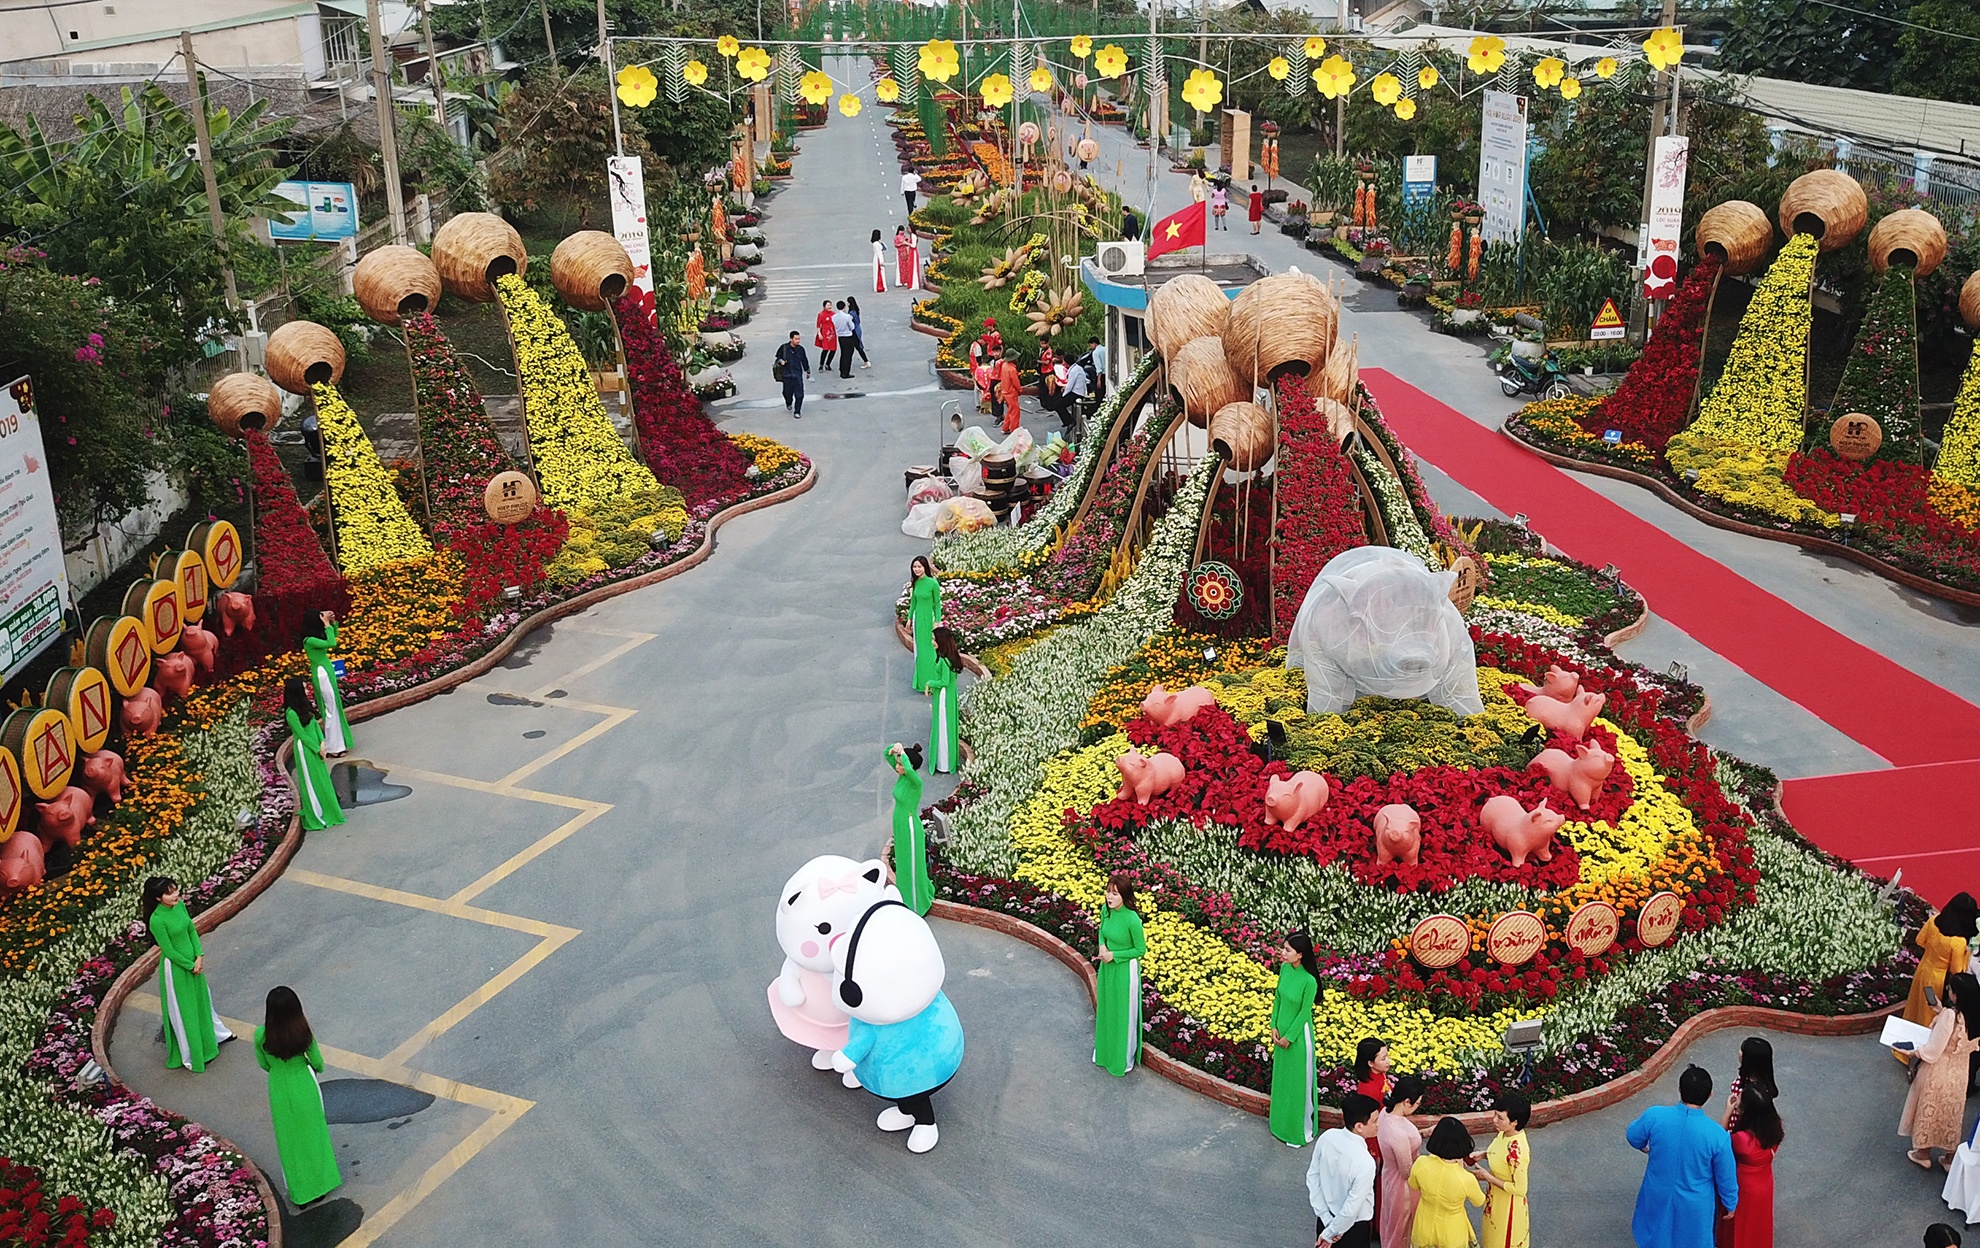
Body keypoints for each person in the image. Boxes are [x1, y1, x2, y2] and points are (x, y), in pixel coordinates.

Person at [1626, 1064, 1738, 1248]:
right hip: (1696, 1206)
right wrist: (1730, 1202)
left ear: (1679, 1089)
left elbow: (1633, 1136)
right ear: (1710, 1095)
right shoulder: (1717, 1136)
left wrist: (1645, 1148)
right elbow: (1726, 1176)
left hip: (1657, 1193)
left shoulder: (1655, 1115)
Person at [256, 986, 341, 1207]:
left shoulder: (260, 1035)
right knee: (313, 1135)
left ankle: (300, 1193)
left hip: (278, 1088)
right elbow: (318, 1063)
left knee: (289, 1141)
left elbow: (263, 1064)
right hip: (303, 1084)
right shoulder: (303, 1032)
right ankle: (320, 1185)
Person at [143, 875, 232, 1072]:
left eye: (175, 890)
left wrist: (199, 956)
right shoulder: (156, 920)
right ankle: (193, 1053)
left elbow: (191, 930)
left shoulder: (179, 906)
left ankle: (213, 1038)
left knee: (202, 1001)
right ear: (158, 898)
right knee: (185, 1011)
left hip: (194, 962)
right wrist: (190, 965)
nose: (175, 895)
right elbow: (168, 950)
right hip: (176, 970)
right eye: (169, 893)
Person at [1901, 970, 1980, 1168]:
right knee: (1951, 1113)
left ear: (1956, 995)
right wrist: (1940, 1009)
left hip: (1938, 1069)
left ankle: (1923, 1153)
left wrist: (1914, 1052)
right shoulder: (1974, 1016)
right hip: (1960, 1071)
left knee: (1930, 1109)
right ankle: (1950, 1157)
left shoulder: (1950, 1017)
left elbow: (1933, 1050)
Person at [1309, 1093, 1381, 1247]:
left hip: (1325, 1221)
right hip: (1353, 1230)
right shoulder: (1365, 1162)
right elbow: (1351, 1208)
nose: (1378, 1124)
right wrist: (1332, 1232)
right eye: (1375, 1121)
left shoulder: (1327, 1137)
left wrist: (1327, 1222)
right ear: (1359, 1126)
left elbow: (1313, 1178)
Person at [1268, 932, 1320, 1146]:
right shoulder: (1284, 969)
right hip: (1279, 1035)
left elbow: (1304, 1013)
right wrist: (1273, 1025)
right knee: (1282, 1081)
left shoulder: (1309, 982)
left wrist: (1289, 1037)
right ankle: (1279, 1123)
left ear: (1300, 954)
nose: (1283, 952)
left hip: (1298, 1039)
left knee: (1297, 1084)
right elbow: (1278, 998)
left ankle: (1297, 1130)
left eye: (1288, 949)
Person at [1093, 872, 1146, 1077]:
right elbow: (1101, 931)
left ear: (1124, 895)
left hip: (1125, 970)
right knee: (1107, 1009)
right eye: (1108, 892)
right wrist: (1102, 946)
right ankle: (1105, 1053)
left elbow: (1140, 950)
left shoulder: (1132, 920)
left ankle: (1121, 1060)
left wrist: (1114, 955)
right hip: (1107, 968)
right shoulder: (1106, 911)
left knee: (1123, 1013)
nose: (1110, 897)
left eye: (1115, 894)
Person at [1718, 1083, 1780, 1248]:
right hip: (1764, 1181)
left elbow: (1718, 1141)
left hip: (1744, 1186)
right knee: (1758, 1223)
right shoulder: (1775, 1127)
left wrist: (1727, 1112)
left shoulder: (1741, 1140)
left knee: (1739, 1226)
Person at [1408, 1118, 1485, 1247]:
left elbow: (1413, 1185)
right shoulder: (1466, 1178)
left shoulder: (1421, 1163)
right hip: (1452, 1232)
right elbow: (1479, 1201)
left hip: (1424, 1225)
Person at [1907, 893, 1977, 1030]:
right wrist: (1967, 954)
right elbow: (1956, 970)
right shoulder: (1958, 941)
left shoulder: (1933, 921)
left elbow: (1919, 940)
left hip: (1923, 969)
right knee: (1930, 1015)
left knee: (1915, 1007)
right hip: (1939, 979)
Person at [284, 676, 344, 832]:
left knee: (322, 779)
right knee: (313, 780)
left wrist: (322, 742)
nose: (307, 690)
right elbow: (301, 736)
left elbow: (314, 724)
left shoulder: (305, 706)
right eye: (304, 688)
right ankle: (317, 814)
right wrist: (317, 749)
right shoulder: (291, 713)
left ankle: (329, 808)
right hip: (306, 751)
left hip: (317, 745)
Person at [1475, 1091, 1532, 1248]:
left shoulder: (1518, 1151)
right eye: (1495, 1115)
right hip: (1496, 1198)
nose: (1494, 1120)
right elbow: (1500, 1155)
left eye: (1500, 1117)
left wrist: (1488, 1177)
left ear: (1514, 1122)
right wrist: (1483, 1154)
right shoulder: (1504, 1134)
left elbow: (1520, 1189)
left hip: (1508, 1208)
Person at [1377, 1076, 1428, 1248]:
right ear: (1407, 1102)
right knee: (1403, 1228)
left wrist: (1424, 1133)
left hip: (1389, 1175)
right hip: (1403, 1187)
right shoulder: (1398, 1133)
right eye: (1417, 1103)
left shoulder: (1386, 1113)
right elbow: (1407, 1171)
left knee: (1391, 1222)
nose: (1417, 1107)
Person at [887, 742, 931, 916]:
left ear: (909, 766)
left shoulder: (915, 782)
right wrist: (894, 748)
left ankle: (915, 903)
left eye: (900, 764)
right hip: (899, 823)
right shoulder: (902, 777)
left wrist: (903, 755)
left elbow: (909, 770)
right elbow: (887, 755)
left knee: (912, 862)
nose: (897, 767)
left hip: (910, 826)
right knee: (903, 861)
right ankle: (904, 896)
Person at [301, 610, 351, 758]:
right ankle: (332, 747)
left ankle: (338, 744)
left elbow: (333, 637)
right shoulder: (309, 640)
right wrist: (327, 624)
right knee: (330, 710)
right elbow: (332, 643)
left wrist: (333, 624)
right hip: (322, 674)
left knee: (334, 707)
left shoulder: (315, 637)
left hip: (326, 671)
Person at [928, 626, 963, 775]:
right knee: (948, 726)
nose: (932, 642)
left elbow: (944, 681)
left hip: (943, 696)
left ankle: (944, 763)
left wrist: (930, 683)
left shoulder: (943, 660)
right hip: (950, 696)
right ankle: (948, 761)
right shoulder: (952, 658)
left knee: (942, 727)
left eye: (934, 639)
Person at [1725, 1036, 1776, 1131]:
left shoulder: (1750, 1090)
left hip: (1739, 1128)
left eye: (1742, 1051)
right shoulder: (1766, 1085)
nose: (1739, 1052)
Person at [908, 556, 942, 693]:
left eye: (919, 566)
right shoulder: (916, 583)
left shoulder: (933, 584)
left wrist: (937, 621)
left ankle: (933, 682)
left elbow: (937, 604)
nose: (916, 569)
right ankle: (921, 683)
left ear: (925, 567)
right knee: (920, 652)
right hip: (918, 621)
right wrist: (909, 618)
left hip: (929, 620)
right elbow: (913, 602)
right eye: (914, 567)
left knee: (930, 651)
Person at [775, 331, 810, 418]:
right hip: (787, 375)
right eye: (796, 339)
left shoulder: (801, 349)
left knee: (800, 395)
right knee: (787, 393)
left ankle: (797, 411)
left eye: (799, 339)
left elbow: (804, 360)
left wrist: (807, 370)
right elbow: (778, 357)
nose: (798, 341)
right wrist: (781, 361)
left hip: (797, 375)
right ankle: (789, 402)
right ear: (791, 339)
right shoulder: (784, 348)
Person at [1353, 1037, 1393, 1104]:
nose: (1388, 1061)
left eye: (1387, 1056)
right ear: (1370, 1063)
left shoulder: (1380, 1074)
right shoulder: (1368, 1089)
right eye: (1383, 1059)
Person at [996, 347, 1023, 436]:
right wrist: (1020, 389)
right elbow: (1016, 382)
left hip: (1005, 391)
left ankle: (1005, 428)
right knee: (1015, 412)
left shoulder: (1004, 365)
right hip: (1011, 393)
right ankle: (1014, 431)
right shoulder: (1012, 369)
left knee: (1010, 410)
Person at [832, 301, 857, 379]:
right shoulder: (847, 317)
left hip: (840, 336)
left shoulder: (834, 317)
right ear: (844, 307)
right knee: (848, 355)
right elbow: (852, 327)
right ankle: (845, 372)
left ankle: (842, 369)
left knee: (843, 354)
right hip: (847, 336)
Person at [845, 296, 871, 370]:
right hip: (857, 329)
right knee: (857, 346)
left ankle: (866, 361)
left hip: (854, 330)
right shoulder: (855, 310)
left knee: (857, 346)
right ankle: (865, 360)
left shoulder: (851, 313)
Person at [895, 225, 922, 289]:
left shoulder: (912, 236)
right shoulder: (899, 237)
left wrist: (906, 243)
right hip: (906, 252)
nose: (907, 230)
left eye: (908, 228)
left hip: (911, 252)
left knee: (911, 267)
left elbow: (913, 245)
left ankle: (911, 282)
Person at [814, 299, 838, 373]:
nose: (830, 306)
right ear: (824, 306)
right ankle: (821, 364)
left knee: (833, 350)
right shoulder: (821, 314)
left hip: (833, 334)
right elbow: (818, 325)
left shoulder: (834, 314)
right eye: (828, 305)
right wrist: (819, 333)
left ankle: (828, 364)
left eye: (830, 305)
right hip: (825, 333)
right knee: (825, 349)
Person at [870, 230, 888, 295]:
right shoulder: (877, 244)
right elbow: (879, 253)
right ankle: (880, 286)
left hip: (876, 258)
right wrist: (881, 261)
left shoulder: (876, 243)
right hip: (878, 259)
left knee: (878, 273)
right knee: (880, 273)